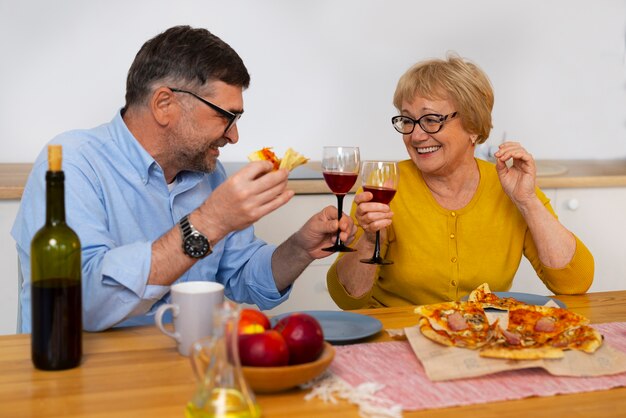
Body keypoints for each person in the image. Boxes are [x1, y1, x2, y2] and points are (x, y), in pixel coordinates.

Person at [13, 25, 356, 333]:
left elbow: (242, 278)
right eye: (226, 116)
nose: (234, 136)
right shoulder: (71, 162)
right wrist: (209, 222)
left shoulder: (207, 172)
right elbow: (80, 304)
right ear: (164, 104)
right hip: (87, 379)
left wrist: (299, 248)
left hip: (183, 368)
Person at [327, 54, 594, 309]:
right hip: (398, 336)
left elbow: (574, 283)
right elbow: (348, 299)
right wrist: (368, 240)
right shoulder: (384, 186)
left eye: (431, 120)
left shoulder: (509, 187)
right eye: (408, 120)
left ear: (474, 127)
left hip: (479, 336)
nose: (416, 135)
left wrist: (528, 202)